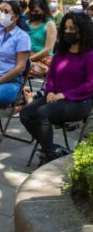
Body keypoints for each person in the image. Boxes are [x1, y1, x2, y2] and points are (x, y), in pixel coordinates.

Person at [21, 12, 93, 165]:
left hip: (79, 102)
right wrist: (51, 91)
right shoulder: (61, 52)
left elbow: (90, 84)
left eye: (72, 28)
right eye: (65, 28)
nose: (68, 31)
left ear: (83, 30)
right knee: (26, 113)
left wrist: (64, 95)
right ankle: (52, 151)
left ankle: (48, 154)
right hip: (54, 97)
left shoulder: (89, 55)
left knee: (42, 114)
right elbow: (51, 77)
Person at [0, 0, 31, 108]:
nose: (1, 14)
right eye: (0, 10)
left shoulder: (22, 37)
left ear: (15, 17)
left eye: (6, 11)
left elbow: (20, 67)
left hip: (10, 83)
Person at [26, 0, 57, 78]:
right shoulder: (27, 23)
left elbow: (47, 49)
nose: (33, 13)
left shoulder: (49, 24)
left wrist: (29, 59)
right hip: (26, 57)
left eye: (36, 11)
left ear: (44, 10)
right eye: (32, 11)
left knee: (22, 68)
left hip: (43, 60)